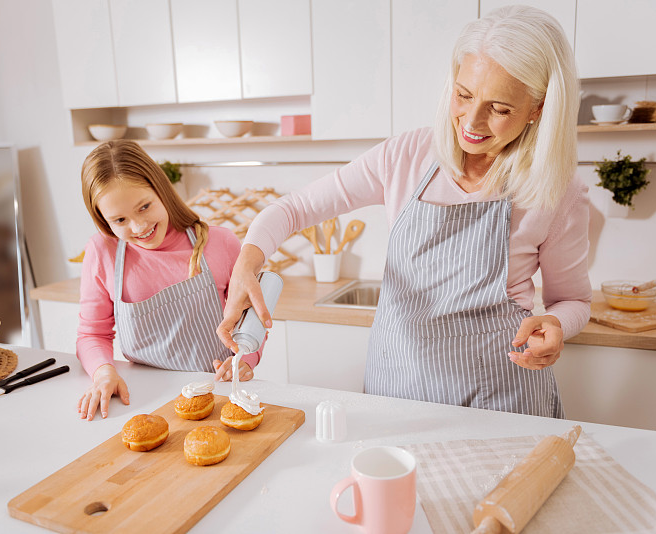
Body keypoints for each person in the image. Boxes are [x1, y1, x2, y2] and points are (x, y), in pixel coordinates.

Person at [217, 5, 591, 418]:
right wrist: (248, 261)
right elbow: (295, 209)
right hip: (398, 388)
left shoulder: (557, 190)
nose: (471, 119)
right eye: (464, 95)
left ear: (538, 108)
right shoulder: (406, 157)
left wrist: (556, 325)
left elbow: (571, 300)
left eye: (500, 108)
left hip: (501, 393)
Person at [76, 140, 257, 420]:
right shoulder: (103, 252)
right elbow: (92, 333)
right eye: (120, 220)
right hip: (140, 403)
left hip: (219, 395)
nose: (139, 227)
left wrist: (246, 360)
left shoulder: (220, 244)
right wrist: (103, 372)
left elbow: (251, 320)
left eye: (144, 207)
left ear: (161, 189)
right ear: (103, 221)